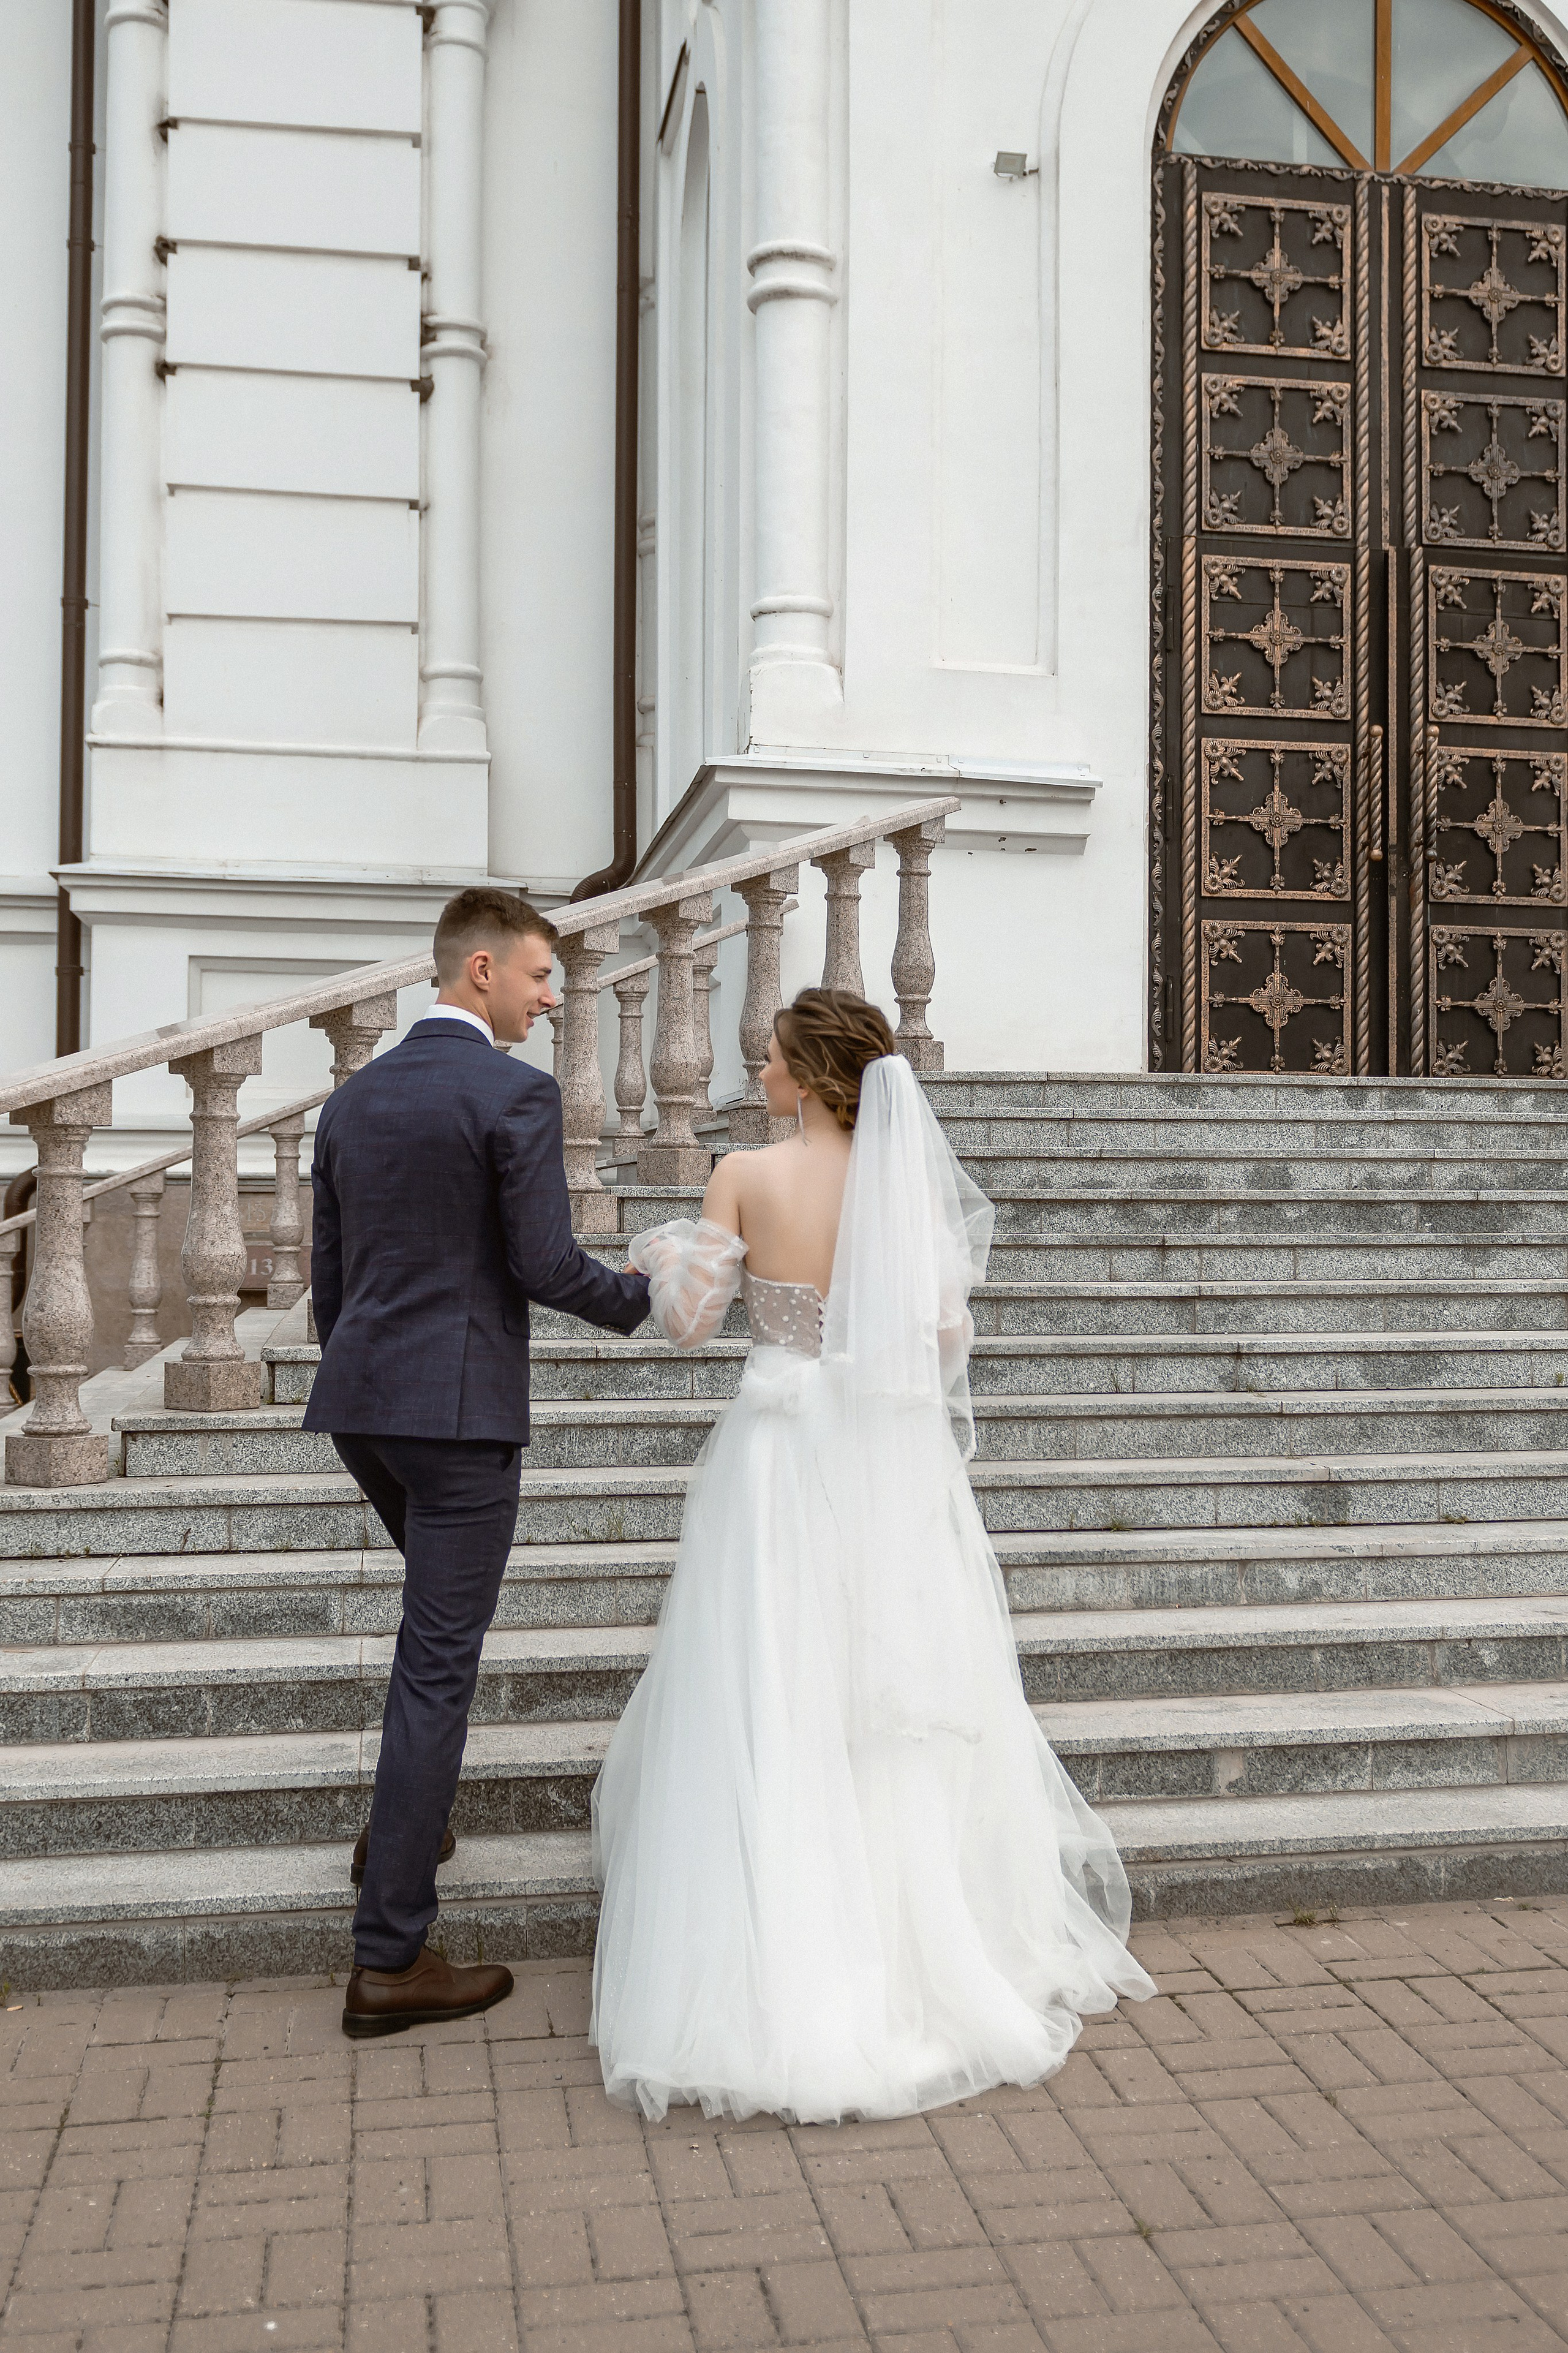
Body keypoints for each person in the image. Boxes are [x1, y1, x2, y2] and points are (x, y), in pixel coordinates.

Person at [590, 988, 1155, 2123]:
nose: (762, 1073)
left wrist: (667, 1258)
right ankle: (921, 1945)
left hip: (774, 1456)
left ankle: (775, 1945)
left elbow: (691, 1323)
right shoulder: (900, 1184)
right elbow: (945, 1334)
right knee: (881, 1689)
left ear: (807, 1071)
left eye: (775, 1058)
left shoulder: (745, 1175)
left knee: (771, 1680)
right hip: (881, 1458)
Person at [305, 888, 651, 2038]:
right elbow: (548, 1264)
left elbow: (331, 1280)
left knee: (431, 1634)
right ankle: (391, 1955)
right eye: (545, 977)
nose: (556, 999)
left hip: (365, 1407)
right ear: (484, 970)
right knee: (436, 1663)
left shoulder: (350, 1103)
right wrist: (647, 1301)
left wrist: (365, 1374)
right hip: (458, 1420)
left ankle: (400, 1829)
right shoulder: (514, 1092)